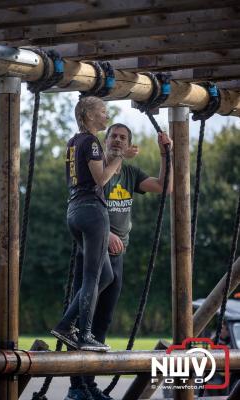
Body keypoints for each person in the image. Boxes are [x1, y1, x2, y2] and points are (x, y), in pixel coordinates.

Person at [65, 123, 173, 400]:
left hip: (118, 255)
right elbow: (87, 202)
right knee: (82, 317)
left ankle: (89, 384)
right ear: (105, 139)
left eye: (123, 137)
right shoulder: (99, 168)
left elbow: (165, 187)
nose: (117, 140)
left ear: (128, 144)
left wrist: (164, 154)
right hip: (93, 248)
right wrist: (107, 233)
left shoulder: (129, 173)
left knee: (103, 320)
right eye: (113, 135)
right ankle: (76, 387)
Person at [51, 98, 125, 352]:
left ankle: (65, 325)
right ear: (89, 115)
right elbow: (101, 178)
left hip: (74, 210)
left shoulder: (73, 142)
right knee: (93, 277)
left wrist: (111, 157)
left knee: (105, 275)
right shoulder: (91, 141)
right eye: (103, 112)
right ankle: (85, 335)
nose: (106, 116)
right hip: (92, 211)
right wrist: (119, 159)